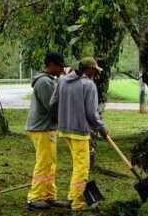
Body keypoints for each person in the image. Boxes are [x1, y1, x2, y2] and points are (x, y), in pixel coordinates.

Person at [50, 57, 108, 211]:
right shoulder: (88, 85)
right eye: (94, 70)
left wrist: (63, 118)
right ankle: (76, 203)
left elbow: (53, 103)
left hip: (64, 130)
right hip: (79, 132)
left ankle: (72, 197)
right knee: (82, 168)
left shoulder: (62, 81)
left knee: (77, 165)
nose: (95, 73)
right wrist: (101, 128)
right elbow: (91, 113)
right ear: (88, 69)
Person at [25, 53, 68, 210]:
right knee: (44, 163)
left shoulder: (49, 81)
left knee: (50, 163)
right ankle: (34, 197)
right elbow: (52, 107)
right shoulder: (44, 82)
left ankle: (49, 196)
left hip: (47, 128)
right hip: (42, 128)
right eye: (59, 66)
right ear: (50, 64)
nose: (62, 70)